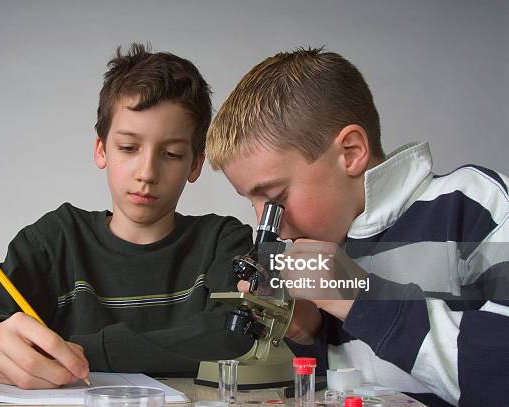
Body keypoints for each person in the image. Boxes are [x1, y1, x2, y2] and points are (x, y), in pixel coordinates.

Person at [0, 43, 253, 390]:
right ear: (101, 150)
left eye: (171, 154)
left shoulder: (224, 242)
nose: (147, 172)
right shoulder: (58, 240)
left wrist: (79, 350)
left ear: (195, 164)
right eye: (128, 148)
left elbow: (237, 333)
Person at [205, 47, 509, 406]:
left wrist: (359, 296)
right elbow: (358, 386)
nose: (267, 224)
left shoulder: (473, 204)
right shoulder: (332, 236)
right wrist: (311, 333)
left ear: (350, 152)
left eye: (276, 196)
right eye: (251, 201)